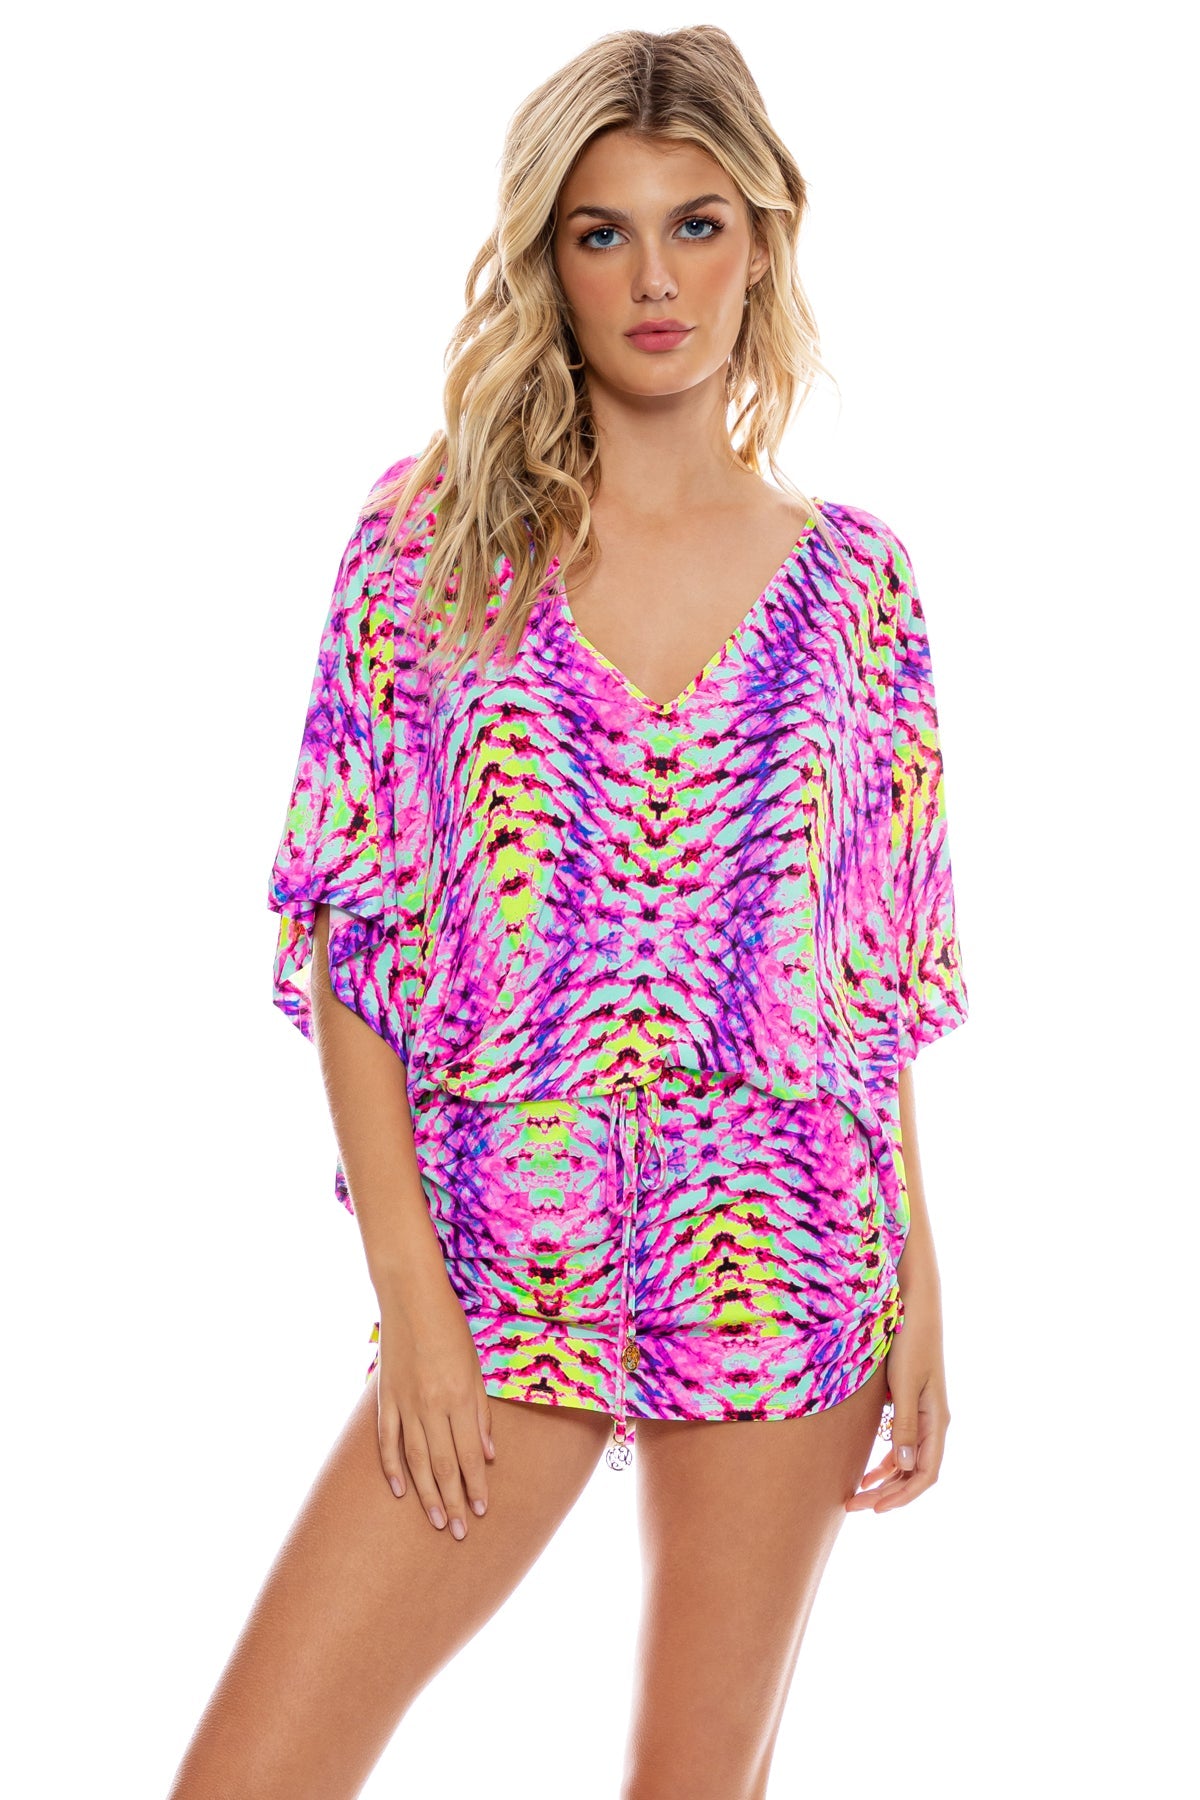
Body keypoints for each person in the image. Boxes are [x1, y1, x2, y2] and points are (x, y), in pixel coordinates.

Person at [169, 24, 969, 1799]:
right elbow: (354, 932)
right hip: (502, 1257)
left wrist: (919, 1281)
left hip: (785, 1242)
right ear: (549, 257)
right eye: (605, 233)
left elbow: (871, 980)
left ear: (762, 240)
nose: (655, 278)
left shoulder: (860, 585)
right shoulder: (430, 545)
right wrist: (410, 1296)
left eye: (697, 225)